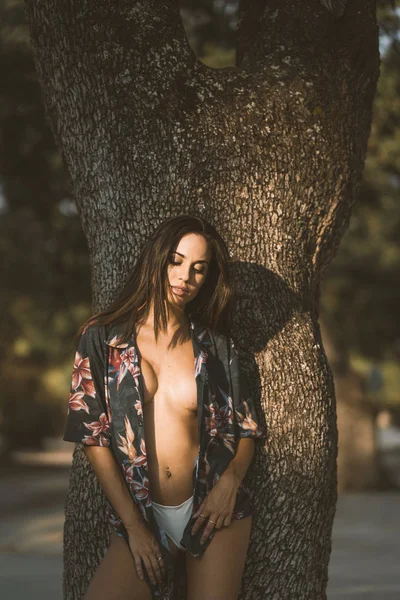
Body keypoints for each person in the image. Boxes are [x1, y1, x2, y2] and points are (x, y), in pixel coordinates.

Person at [63, 214, 267, 600]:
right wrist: (135, 528)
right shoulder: (103, 340)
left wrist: (229, 484)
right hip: (140, 513)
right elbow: (93, 439)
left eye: (198, 269)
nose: (185, 277)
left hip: (212, 511)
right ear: (157, 259)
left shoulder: (218, 351)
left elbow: (247, 430)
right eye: (176, 261)